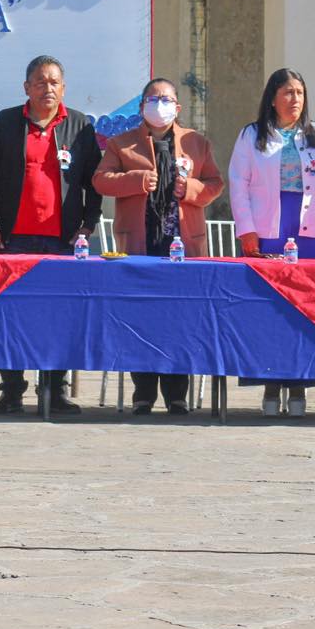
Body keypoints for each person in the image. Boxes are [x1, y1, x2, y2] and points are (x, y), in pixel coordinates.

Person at [0, 55, 102, 415]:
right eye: (40, 81)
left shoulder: (79, 126)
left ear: (63, 88)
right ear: (26, 88)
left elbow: (92, 183)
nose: (47, 88)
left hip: (61, 240)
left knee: (57, 317)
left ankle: (54, 390)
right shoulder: (5, 123)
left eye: (54, 82)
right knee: (10, 315)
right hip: (13, 238)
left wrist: (88, 223)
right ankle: (12, 390)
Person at [93, 78, 224, 415]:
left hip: (183, 246)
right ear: (141, 107)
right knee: (140, 318)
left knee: (181, 319)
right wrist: (135, 181)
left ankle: (177, 392)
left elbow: (215, 184)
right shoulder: (122, 144)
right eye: (153, 99)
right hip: (140, 244)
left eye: (166, 99)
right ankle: (143, 392)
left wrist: (190, 189)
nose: (160, 105)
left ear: (177, 108)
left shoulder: (197, 143)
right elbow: (100, 180)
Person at [228, 68, 315, 418]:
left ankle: (299, 384)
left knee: (306, 310)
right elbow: (238, 183)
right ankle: (270, 382)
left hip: (312, 232)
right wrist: (246, 229)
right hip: (268, 230)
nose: (295, 99)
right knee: (270, 308)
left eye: (300, 93)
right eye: (288, 93)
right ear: (273, 97)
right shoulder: (252, 135)